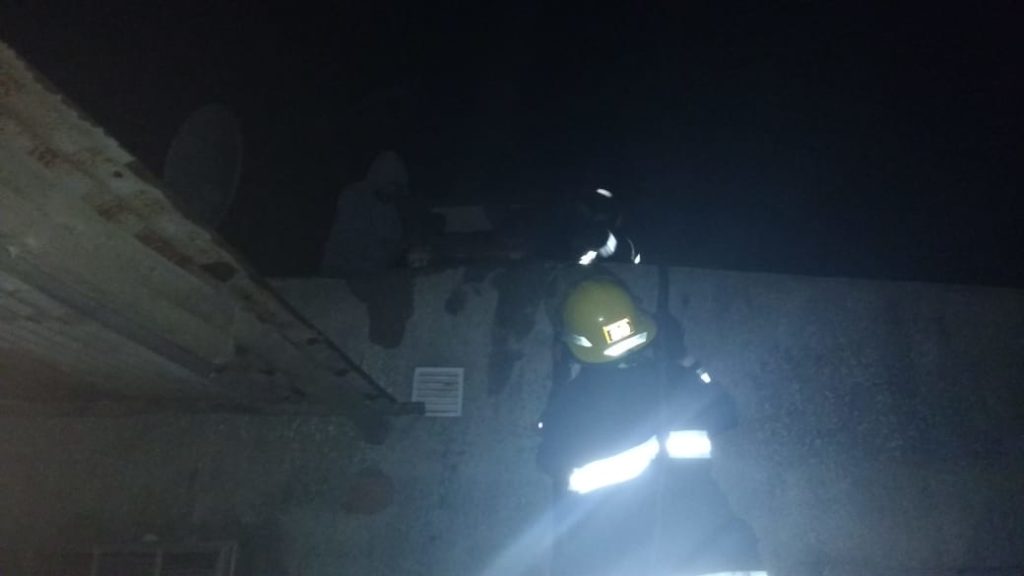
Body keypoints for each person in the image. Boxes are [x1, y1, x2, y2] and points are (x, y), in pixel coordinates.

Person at [537, 275, 761, 576]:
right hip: (715, 554)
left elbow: (549, 461)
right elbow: (728, 412)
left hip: (623, 559)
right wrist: (686, 360)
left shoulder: (569, 406)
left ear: (576, 344)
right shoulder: (675, 380)